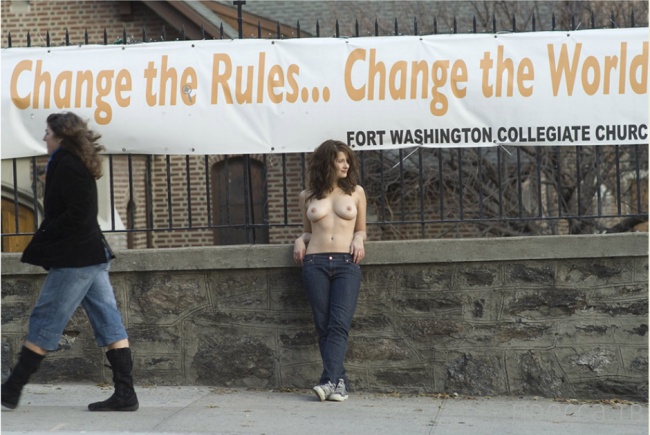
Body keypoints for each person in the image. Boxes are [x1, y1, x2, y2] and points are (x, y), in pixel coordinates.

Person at [1, 112, 138, 412]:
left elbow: (79, 214)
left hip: (77, 259)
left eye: (47, 132)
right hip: (92, 256)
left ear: (61, 136)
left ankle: (11, 389)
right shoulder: (74, 162)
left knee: (45, 318)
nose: (44, 137)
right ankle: (125, 394)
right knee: (108, 322)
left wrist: (48, 233)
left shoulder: (67, 165)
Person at [293, 139, 367, 402]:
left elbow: (361, 229)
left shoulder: (356, 192)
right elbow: (308, 231)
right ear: (327, 163)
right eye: (340, 161)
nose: (346, 165)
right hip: (315, 263)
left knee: (338, 324)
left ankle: (327, 382)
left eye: (347, 161)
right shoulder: (307, 196)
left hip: (347, 264)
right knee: (323, 325)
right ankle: (339, 383)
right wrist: (299, 240)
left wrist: (358, 239)